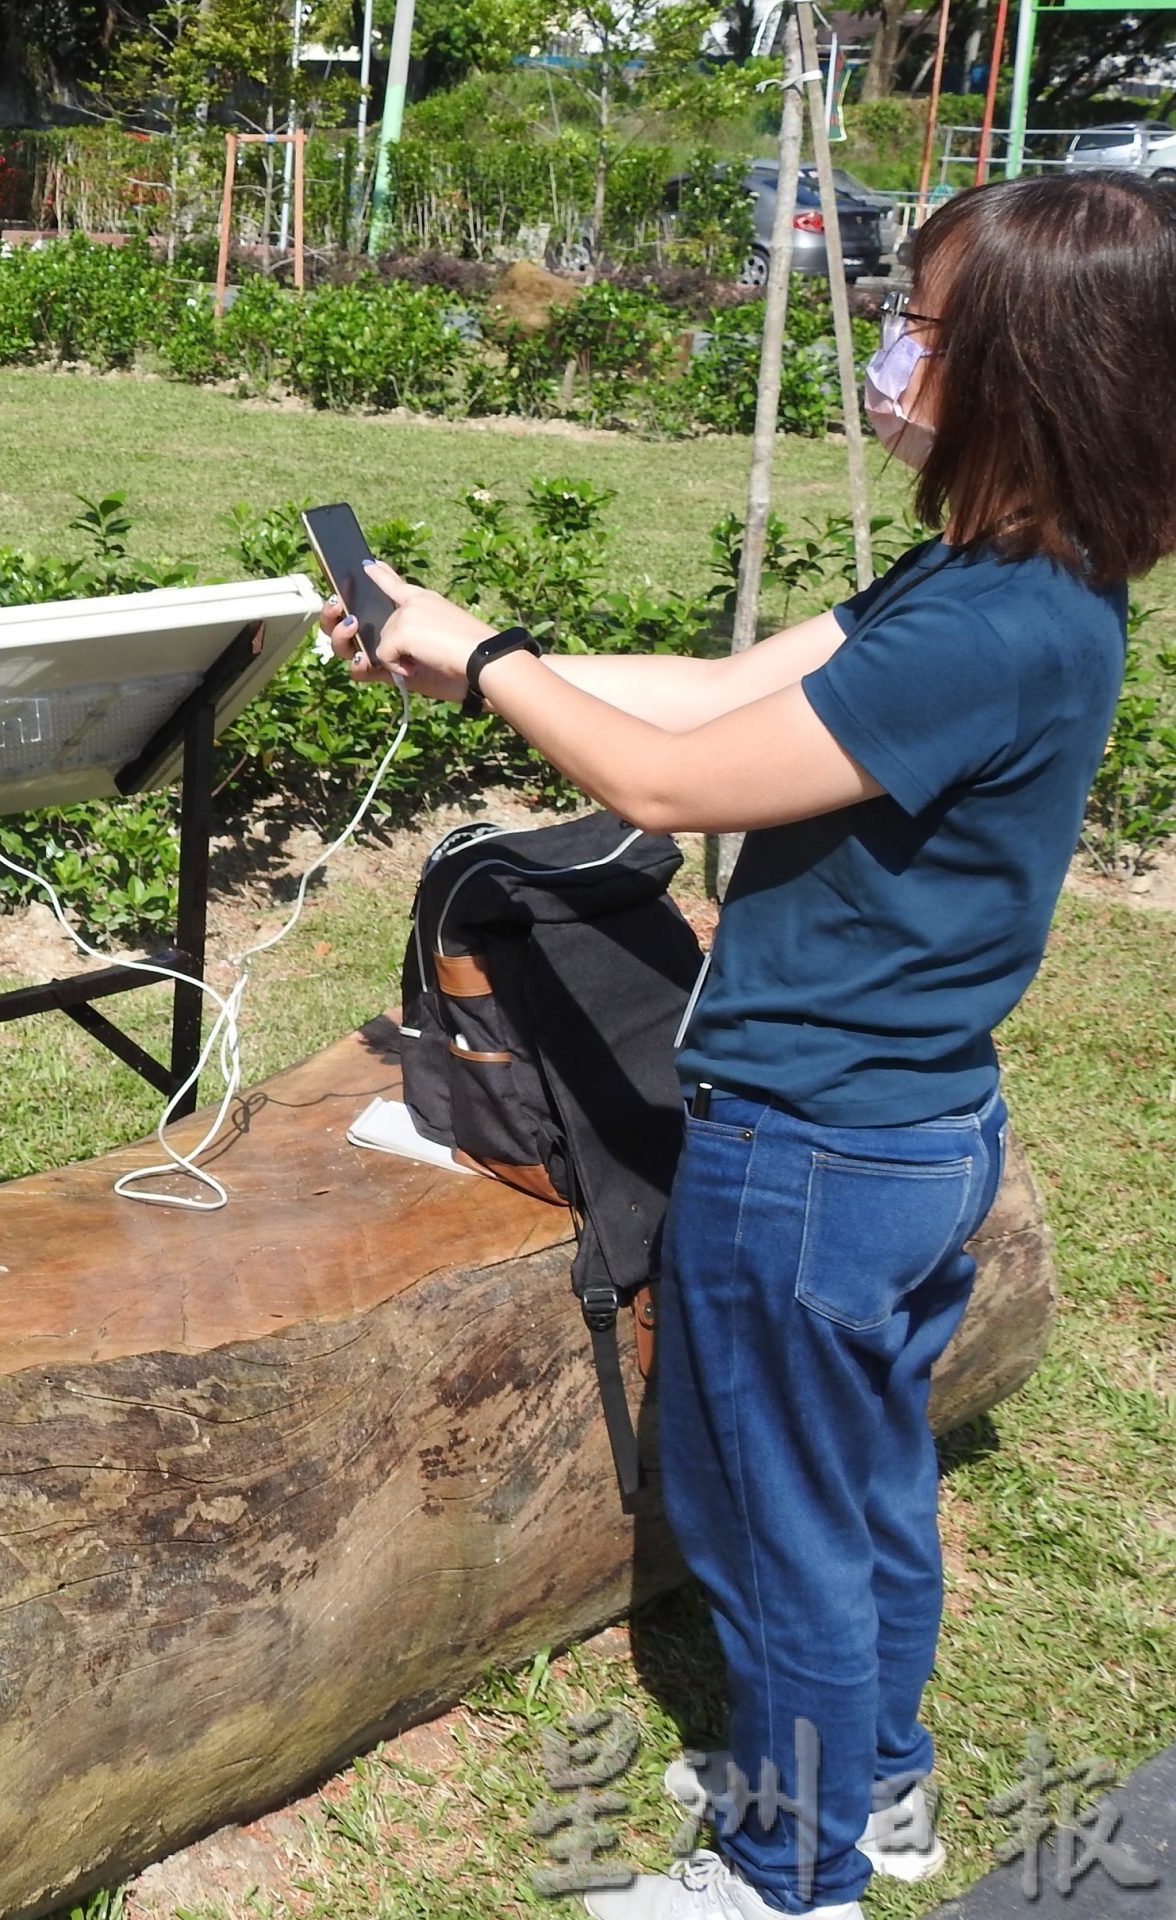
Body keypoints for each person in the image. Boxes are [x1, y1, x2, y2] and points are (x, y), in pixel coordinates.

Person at [320, 171, 1176, 1919]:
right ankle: (878, 1788)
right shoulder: (1004, 577)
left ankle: (792, 1880)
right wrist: (470, 658)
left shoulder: (995, 627)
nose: (892, 342)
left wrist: (492, 667)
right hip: (913, 1131)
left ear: (1026, 369)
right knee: (861, 1487)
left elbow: (670, 784)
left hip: (811, 1151)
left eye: (926, 322)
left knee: (766, 1519)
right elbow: (727, 696)